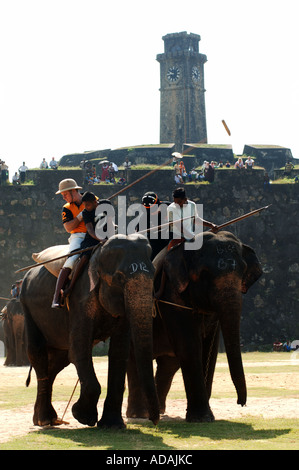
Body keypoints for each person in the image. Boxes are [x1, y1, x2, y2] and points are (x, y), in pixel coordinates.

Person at [154, 188, 218, 299]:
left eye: (179, 202)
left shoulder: (192, 205)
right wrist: (192, 237)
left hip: (191, 236)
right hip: (177, 237)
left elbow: (195, 219)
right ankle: (161, 288)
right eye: (175, 201)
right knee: (167, 260)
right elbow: (179, 227)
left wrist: (210, 225)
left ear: (185, 199)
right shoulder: (171, 208)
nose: (176, 204)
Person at [63, 192, 116, 297]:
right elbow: (90, 230)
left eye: (88, 205)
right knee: (84, 258)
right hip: (92, 238)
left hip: (107, 233)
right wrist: (101, 240)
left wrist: (110, 237)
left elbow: (110, 222)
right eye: (84, 205)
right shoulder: (86, 212)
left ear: (95, 202)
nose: (86, 207)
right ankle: (71, 286)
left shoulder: (106, 205)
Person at [51, 179, 87, 308]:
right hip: (78, 236)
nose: (64, 198)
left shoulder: (91, 199)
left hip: (96, 234)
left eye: (65, 194)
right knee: (71, 260)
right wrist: (81, 216)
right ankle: (56, 297)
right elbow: (69, 228)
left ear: (73, 191)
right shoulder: (66, 208)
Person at [135, 191, 170, 260]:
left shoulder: (169, 207)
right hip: (155, 243)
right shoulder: (145, 216)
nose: (151, 212)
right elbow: (138, 232)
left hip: (170, 239)